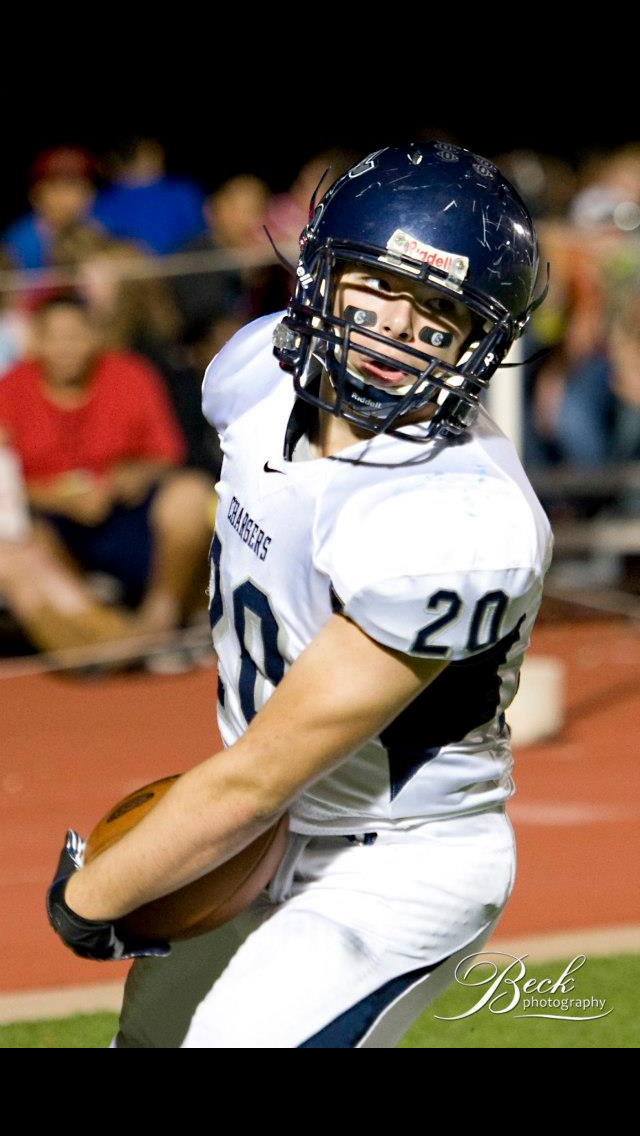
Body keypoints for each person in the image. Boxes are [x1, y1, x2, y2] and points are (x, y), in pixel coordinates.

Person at [46, 142, 553, 1048]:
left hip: (394, 857)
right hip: (267, 826)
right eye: (380, 284)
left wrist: (88, 900)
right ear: (323, 270)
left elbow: (256, 779)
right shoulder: (253, 372)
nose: (399, 326)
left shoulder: (457, 520)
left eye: (440, 309)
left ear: (483, 342)